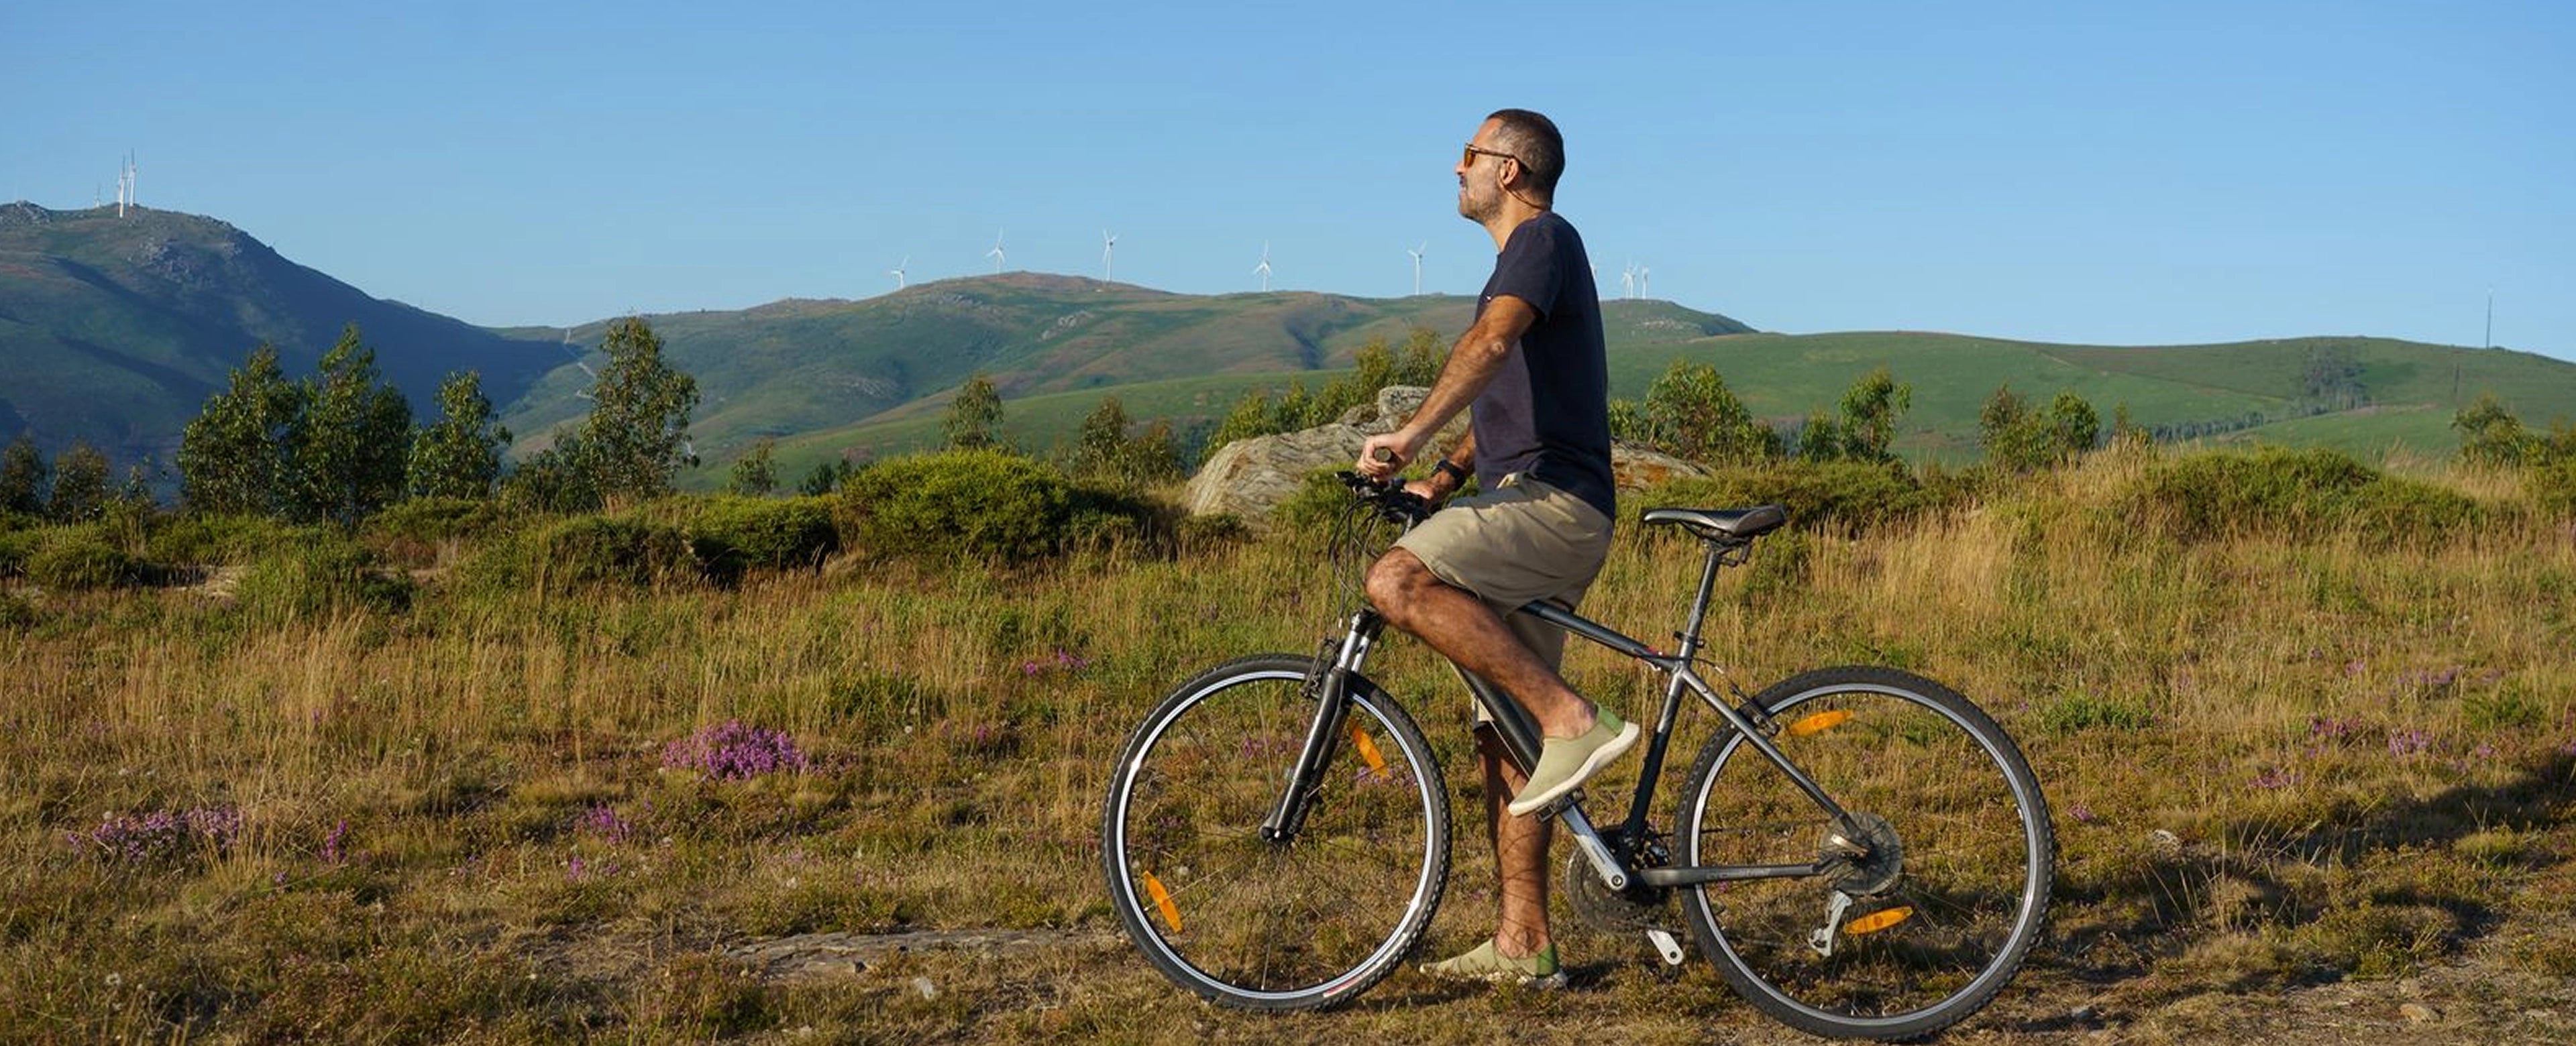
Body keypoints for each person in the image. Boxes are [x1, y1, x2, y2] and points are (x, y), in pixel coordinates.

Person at [1354, 108, 1627, 989]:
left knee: (1396, 579)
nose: (1455, 168)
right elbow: (1512, 395)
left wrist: (1405, 433)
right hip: (1534, 499)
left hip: (1552, 507)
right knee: (1503, 739)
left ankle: (1574, 719)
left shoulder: (1542, 241)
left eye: (1469, 155)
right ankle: (1524, 942)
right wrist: (1443, 474)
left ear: (1509, 170)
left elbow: (1490, 344)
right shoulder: (1530, 260)